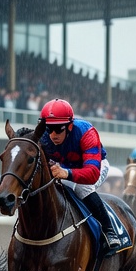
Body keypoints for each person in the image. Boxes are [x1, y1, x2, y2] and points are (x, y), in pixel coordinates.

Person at [36, 98, 122, 255]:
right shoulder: (44, 137)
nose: (53, 135)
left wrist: (67, 173)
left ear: (69, 126)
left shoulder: (86, 133)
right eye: (49, 129)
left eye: (58, 129)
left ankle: (109, 232)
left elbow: (92, 173)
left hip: (93, 166)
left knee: (82, 187)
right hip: (64, 164)